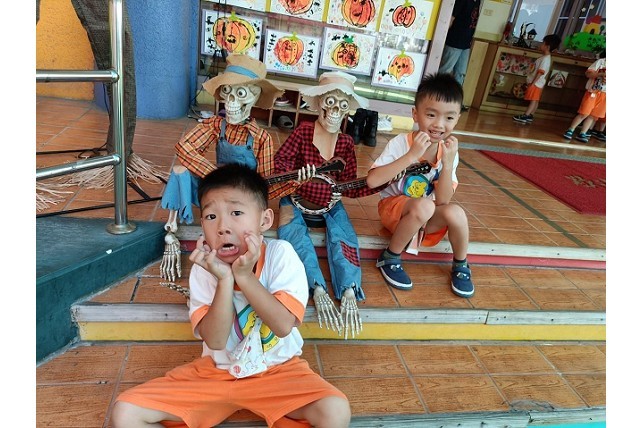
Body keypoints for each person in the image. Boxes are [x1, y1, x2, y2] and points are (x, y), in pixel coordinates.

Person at [112, 163, 351, 428]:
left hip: (278, 371)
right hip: (217, 373)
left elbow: (283, 326)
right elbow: (215, 341)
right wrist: (225, 280)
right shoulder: (205, 269)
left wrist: (245, 277)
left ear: (264, 221)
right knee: (125, 413)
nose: (223, 227)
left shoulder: (280, 254)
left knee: (335, 411)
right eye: (211, 216)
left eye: (236, 212)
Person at [159, 53, 286, 282]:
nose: (231, 101)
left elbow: (265, 184)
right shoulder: (216, 125)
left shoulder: (261, 138)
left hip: (240, 197)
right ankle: (172, 230)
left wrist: (294, 182)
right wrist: (214, 174)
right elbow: (184, 147)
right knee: (180, 170)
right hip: (214, 190)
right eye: (227, 91)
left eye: (240, 93)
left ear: (255, 97)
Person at [273, 71, 371, 338]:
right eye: (330, 102)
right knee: (293, 239)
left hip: (330, 203)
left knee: (345, 237)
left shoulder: (347, 142)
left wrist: (383, 178)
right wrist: (295, 177)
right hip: (295, 199)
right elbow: (280, 163)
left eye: (342, 105)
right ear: (319, 103)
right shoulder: (304, 131)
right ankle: (315, 287)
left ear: (348, 110)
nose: (335, 111)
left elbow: (350, 183)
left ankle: (349, 288)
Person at [366, 73, 474, 298]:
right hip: (394, 211)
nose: (439, 124)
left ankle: (461, 264)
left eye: (449, 117)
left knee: (456, 212)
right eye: (431, 115)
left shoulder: (449, 151)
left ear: (457, 119)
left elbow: (443, 200)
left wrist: (447, 164)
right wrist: (412, 155)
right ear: (415, 114)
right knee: (425, 205)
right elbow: (372, 181)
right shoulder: (401, 143)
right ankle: (390, 257)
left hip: (425, 217)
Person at [513, 34, 562, 124]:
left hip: (536, 83)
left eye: (543, 43)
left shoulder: (546, 59)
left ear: (547, 46)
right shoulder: (544, 57)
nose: (541, 44)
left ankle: (526, 115)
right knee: (535, 100)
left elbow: (540, 72)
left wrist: (532, 84)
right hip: (537, 83)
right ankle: (531, 115)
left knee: (533, 100)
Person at [437, 0, 480, 99]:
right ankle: (437, 96)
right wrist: (442, 36)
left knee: (460, 74)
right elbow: (451, 18)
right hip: (455, 41)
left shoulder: (478, 1)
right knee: (445, 70)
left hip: (466, 43)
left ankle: (455, 100)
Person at [562, 49, 606, 143]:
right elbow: (588, 73)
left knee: (593, 116)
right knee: (584, 113)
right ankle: (571, 129)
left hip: (605, 94)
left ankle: (583, 132)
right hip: (593, 92)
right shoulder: (601, 62)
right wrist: (600, 74)